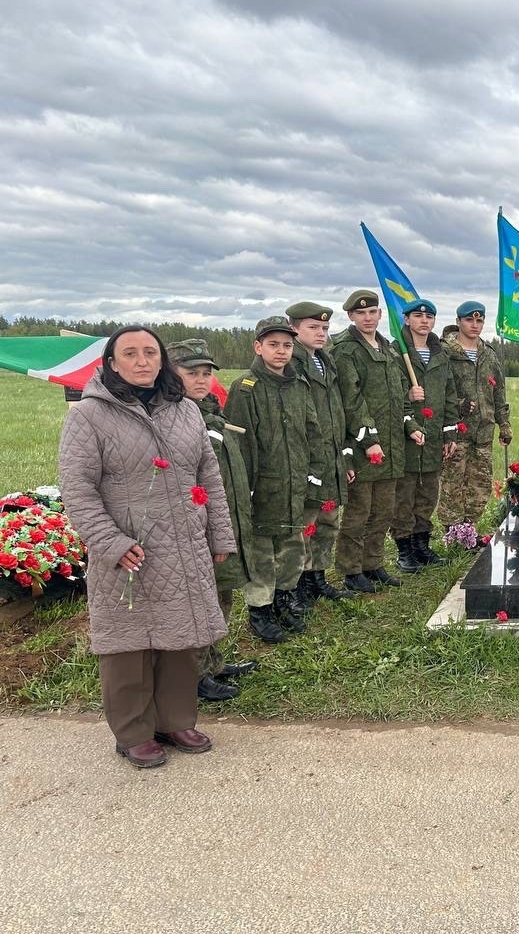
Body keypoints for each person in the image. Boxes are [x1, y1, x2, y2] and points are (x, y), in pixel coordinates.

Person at [58, 326, 235, 768]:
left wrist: (219, 533)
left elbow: (208, 475)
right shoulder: (89, 415)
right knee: (129, 644)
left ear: (162, 361)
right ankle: (133, 731)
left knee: (180, 636)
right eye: (130, 353)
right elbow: (77, 488)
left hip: (183, 543)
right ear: (112, 362)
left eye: (150, 352)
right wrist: (109, 541)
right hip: (128, 549)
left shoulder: (185, 410)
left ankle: (175, 719)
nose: (142, 361)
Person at [223, 317, 328, 642]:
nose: (281, 351)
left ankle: (285, 598)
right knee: (261, 552)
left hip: (296, 484)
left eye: (286, 344)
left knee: (294, 546)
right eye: (273, 344)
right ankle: (261, 609)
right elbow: (238, 444)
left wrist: (314, 474)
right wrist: (247, 489)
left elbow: (313, 432)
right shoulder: (246, 388)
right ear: (258, 347)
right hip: (263, 487)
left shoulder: (299, 385)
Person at [167, 338, 259, 698]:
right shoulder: (173, 418)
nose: (202, 379)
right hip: (195, 526)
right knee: (198, 602)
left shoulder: (209, 410)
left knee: (220, 595)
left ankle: (213, 663)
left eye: (206, 372)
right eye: (192, 373)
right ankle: (195, 676)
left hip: (222, 519)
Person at [330, 289, 427, 593]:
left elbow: (400, 396)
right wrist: (368, 438)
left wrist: (410, 424)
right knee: (360, 510)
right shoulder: (346, 350)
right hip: (364, 445)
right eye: (361, 313)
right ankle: (351, 569)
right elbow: (351, 399)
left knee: (384, 510)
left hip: (393, 445)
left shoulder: (388, 348)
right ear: (351, 316)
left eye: (372, 312)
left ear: (380, 315)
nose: (368, 318)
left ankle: (373, 564)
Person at [286, 300, 356, 602]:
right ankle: (298, 582)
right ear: (294, 328)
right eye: (313, 327)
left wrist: (345, 455)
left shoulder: (325, 360)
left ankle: (317, 577)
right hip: (309, 456)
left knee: (328, 520)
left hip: (332, 454)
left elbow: (338, 409)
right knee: (306, 522)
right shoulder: (291, 363)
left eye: (325, 328)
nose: (321, 333)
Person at [391, 298, 460, 571]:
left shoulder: (440, 354)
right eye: (418, 316)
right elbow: (388, 393)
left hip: (433, 436)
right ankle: (404, 549)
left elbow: (449, 394)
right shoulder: (397, 352)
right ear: (406, 320)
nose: (424, 321)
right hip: (407, 434)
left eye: (429, 316)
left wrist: (450, 433)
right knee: (404, 494)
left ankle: (422, 545)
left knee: (428, 493)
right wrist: (407, 395)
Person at [439, 301, 511, 527]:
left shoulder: (488, 354)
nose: (475, 325)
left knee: (479, 486)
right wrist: (457, 405)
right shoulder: (445, 353)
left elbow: (498, 391)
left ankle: (469, 532)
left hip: (483, 432)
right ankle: (452, 535)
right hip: (455, 433)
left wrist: (504, 424)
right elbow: (436, 390)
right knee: (452, 486)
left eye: (479, 320)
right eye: (469, 320)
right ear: (458, 321)